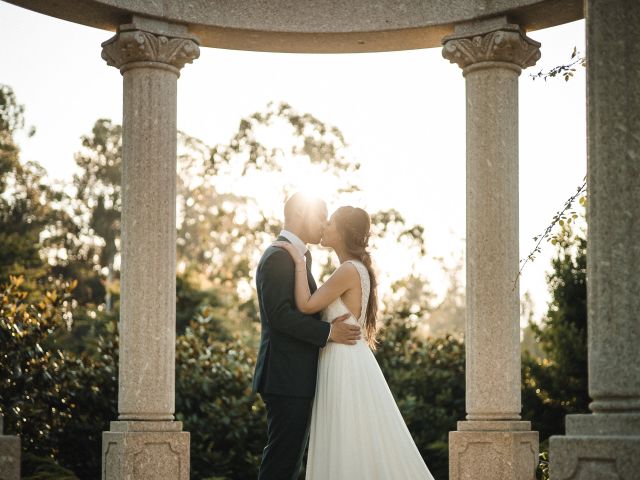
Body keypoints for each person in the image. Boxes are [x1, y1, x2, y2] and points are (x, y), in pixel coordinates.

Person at [273, 205, 435, 479]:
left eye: (331, 222)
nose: (324, 226)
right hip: (348, 358)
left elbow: (305, 304)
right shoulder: (356, 269)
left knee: (344, 437)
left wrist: (299, 263)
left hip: (342, 362)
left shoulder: (348, 270)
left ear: (344, 232)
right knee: (352, 439)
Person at [253, 193, 362, 480]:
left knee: (289, 463)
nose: (325, 223)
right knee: (282, 462)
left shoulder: (299, 257)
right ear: (302, 214)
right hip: (286, 376)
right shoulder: (278, 256)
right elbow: (280, 316)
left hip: (296, 376)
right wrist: (329, 332)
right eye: (321, 215)